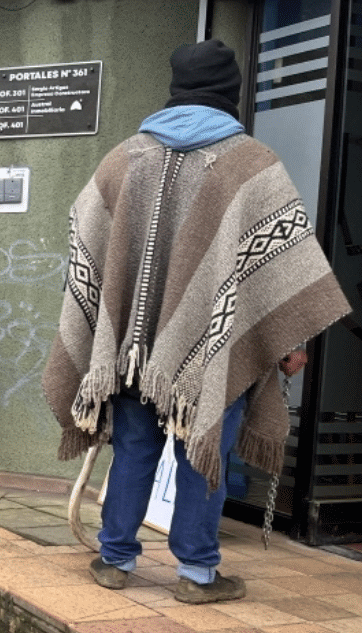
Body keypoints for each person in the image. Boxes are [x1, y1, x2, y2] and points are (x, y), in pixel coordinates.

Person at [43, 40, 349, 605]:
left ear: (175, 88)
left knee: (134, 450)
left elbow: (85, 243)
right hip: (213, 349)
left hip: (130, 353)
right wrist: (290, 344)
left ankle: (115, 560)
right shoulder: (252, 163)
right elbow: (280, 267)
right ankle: (198, 575)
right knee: (202, 447)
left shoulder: (122, 159)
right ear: (230, 93)